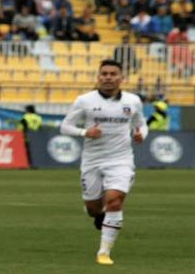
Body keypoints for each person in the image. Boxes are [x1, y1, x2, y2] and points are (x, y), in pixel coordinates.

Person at [60, 59, 148, 266]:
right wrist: (85, 132)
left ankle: (104, 252)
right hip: (92, 160)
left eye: (113, 74)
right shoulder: (84, 100)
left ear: (121, 78)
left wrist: (141, 134)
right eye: (104, 74)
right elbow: (65, 126)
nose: (108, 77)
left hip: (121, 159)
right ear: (99, 77)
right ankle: (97, 213)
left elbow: (141, 124)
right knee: (93, 208)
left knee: (115, 200)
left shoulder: (133, 101)